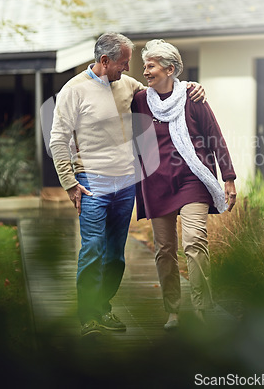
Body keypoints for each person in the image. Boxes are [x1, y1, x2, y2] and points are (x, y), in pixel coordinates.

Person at [49, 32, 205, 337]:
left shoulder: (128, 86)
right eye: (123, 62)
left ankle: (102, 307)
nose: (129, 68)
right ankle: (88, 315)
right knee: (93, 247)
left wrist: (192, 88)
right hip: (91, 182)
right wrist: (69, 182)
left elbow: (163, 92)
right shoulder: (74, 90)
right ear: (105, 61)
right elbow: (58, 139)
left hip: (125, 184)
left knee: (115, 253)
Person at [131, 39, 237, 331]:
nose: (146, 70)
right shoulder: (140, 99)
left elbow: (214, 137)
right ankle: (173, 311)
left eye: (150, 65)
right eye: (144, 65)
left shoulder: (192, 96)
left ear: (170, 68)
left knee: (194, 242)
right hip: (157, 183)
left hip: (193, 179)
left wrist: (228, 177)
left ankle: (203, 307)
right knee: (164, 249)